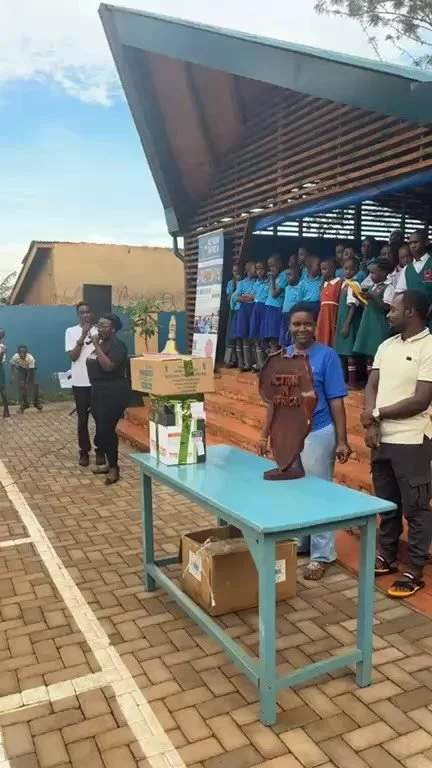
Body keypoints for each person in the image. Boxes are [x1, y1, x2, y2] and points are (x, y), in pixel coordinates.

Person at [257, 302, 351, 579]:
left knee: (319, 493)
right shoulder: (283, 357)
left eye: (307, 323)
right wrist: (264, 434)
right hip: (287, 433)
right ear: (289, 326)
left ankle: (322, 555)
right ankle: (302, 542)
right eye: (297, 324)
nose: (302, 329)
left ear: (315, 325)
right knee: (296, 490)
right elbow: (274, 401)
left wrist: (342, 440)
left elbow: (336, 400)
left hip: (318, 432)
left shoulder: (327, 357)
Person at [362, 290, 432, 598]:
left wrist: (376, 414)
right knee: (387, 503)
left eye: (393, 309)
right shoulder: (386, 345)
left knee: (416, 508)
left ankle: (414, 570)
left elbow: (420, 400)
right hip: (382, 439)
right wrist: (372, 423)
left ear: (411, 312)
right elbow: (372, 385)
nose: (388, 314)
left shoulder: (429, 347)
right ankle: (387, 555)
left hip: (413, 439)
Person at [87, 314, 130, 485]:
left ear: (113, 328)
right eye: (99, 325)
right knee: (101, 431)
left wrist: (96, 345)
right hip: (97, 390)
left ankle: (114, 468)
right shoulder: (101, 343)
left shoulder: (118, 345)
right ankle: (108, 463)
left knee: (107, 430)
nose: (100, 328)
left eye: (104, 326)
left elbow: (108, 366)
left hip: (113, 392)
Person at [66, 302, 105, 467]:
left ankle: (100, 450)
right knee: (82, 419)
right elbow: (73, 357)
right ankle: (84, 451)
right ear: (78, 315)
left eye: (88, 312)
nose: (85, 315)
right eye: (82, 313)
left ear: (92, 313)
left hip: (97, 382)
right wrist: (82, 337)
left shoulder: (100, 331)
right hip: (80, 382)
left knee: (100, 418)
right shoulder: (71, 331)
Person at [354, 259, 394, 375]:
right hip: (368, 322)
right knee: (369, 354)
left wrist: (372, 297)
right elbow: (368, 306)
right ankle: (369, 380)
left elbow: (386, 307)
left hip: (379, 323)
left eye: (373, 273)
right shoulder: (372, 287)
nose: (371, 276)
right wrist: (358, 298)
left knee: (378, 353)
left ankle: (379, 380)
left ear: (384, 273)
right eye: (370, 273)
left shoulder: (388, 287)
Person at [335, 257, 363, 388]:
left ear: (357, 270)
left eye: (351, 269)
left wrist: (347, 324)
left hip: (348, 322)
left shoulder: (354, 285)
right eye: (346, 268)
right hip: (341, 320)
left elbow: (353, 306)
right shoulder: (344, 284)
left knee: (349, 352)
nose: (348, 271)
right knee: (341, 352)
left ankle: (352, 382)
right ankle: (343, 379)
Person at [396, 230, 432, 329]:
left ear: (426, 242)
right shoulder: (407, 269)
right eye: (410, 243)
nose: (412, 246)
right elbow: (400, 294)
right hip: (414, 320)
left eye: (416, 242)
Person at [231, 261, 256, 372]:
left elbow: (256, 296)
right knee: (244, 337)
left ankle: (255, 363)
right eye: (254, 268)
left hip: (253, 310)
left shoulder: (257, 282)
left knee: (254, 337)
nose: (256, 270)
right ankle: (246, 364)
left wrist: (245, 297)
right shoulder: (241, 283)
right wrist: (248, 298)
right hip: (244, 312)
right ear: (248, 270)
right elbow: (235, 297)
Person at [315, 258, 342, 347]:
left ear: (333, 269)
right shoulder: (323, 285)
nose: (322, 272)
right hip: (323, 314)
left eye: (325, 269)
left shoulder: (339, 282)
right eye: (321, 270)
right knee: (322, 335)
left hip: (333, 313)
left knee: (332, 336)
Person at [263, 255, 287, 353]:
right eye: (269, 266)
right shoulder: (275, 277)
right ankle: (272, 356)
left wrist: (272, 279)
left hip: (276, 308)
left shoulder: (284, 276)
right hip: (269, 307)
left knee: (275, 337)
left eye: (273, 265)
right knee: (269, 338)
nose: (271, 269)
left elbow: (274, 294)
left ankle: (276, 358)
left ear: (280, 264)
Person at [250, 260, 269, 372]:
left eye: (261, 268)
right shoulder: (256, 283)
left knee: (264, 338)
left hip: (265, 309)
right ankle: (260, 364)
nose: (259, 271)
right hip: (256, 309)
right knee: (255, 337)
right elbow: (253, 296)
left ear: (266, 269)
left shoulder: (269, 281)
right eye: (257, 269)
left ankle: (266, 366)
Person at [10, 345, 42, 413]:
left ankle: (36, 402)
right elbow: (12, 364)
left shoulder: (30, 358)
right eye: (20, 352)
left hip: (31, 370)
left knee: (35, 384)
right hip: (22, 370)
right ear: (18, 352)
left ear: (26, 352)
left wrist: (27, 382)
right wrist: (12, 375)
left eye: (24, 352)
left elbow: (29, 371)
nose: (22, 354)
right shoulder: (15, 357)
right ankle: (25, 403)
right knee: (22, 385)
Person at [279, 264, 301, 348]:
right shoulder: (287, 287)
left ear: (297, 276)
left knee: (293, 337)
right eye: (287, 275)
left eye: (290, 275)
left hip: (294, 315)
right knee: (283, 338)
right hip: (285, 314)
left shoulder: (300, 287)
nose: (287, 277)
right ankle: (284, 352)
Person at [224, 264, 241, 367]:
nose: (237, 273)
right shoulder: (231, 283)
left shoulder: (244, 282)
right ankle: (230, 360)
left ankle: (240, 361)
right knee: (230, 335)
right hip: (233, 310)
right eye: (235, 271)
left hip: (242, 311)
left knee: (239, 336)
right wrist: (235, 290)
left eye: (238, 271)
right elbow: (228, 298)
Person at [0, 329, 10, 418]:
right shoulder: (3, 347)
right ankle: (6, 411)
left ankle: (6, 410)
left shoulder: (2, 347)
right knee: (2, 389)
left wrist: (2, 353)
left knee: (2, 388)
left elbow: (0, 360)